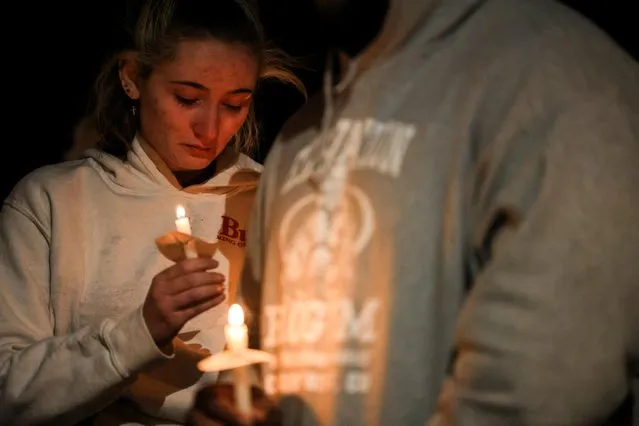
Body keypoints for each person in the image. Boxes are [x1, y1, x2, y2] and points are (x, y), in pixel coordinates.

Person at [188, 0, 639, 424]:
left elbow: (534, 395)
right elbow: (258, 355)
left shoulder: (560, 82)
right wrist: (238, 405)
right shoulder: (299, 137)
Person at [0, 0, 303, 424]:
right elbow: (8, 392)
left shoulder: (276, 202)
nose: (210, 129)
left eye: (234, 105)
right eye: (187, 98)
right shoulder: (53, 202)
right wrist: (139, 332)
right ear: (132, 78)